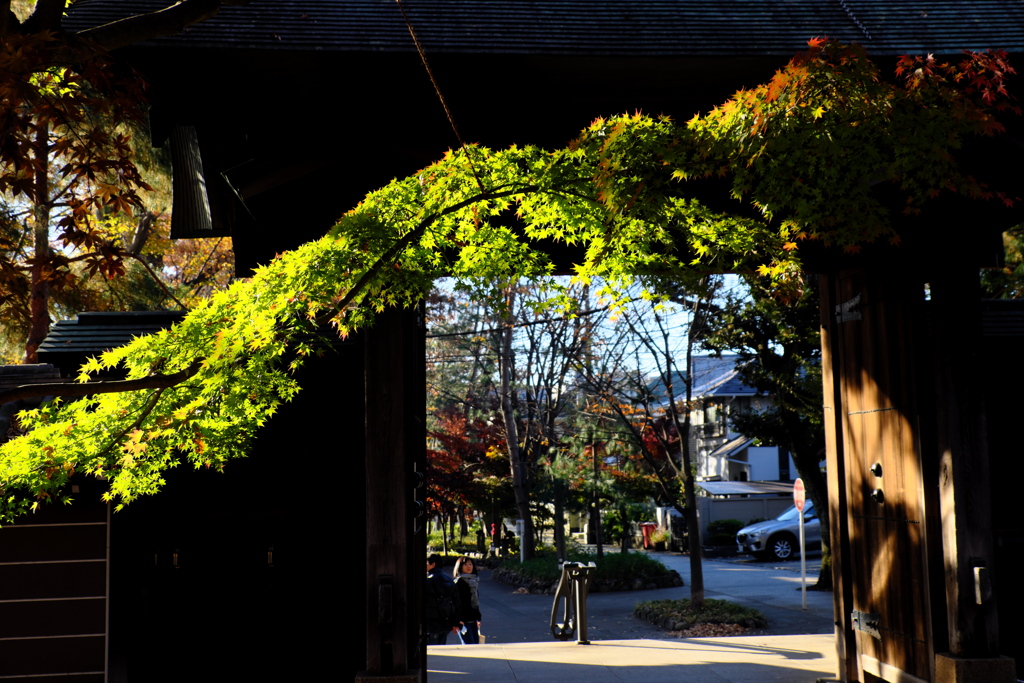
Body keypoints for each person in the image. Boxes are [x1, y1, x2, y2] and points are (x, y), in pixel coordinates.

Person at [426, 554, 460, 645]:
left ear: (433, 564)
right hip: (445, 621)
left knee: (431, 651)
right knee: (441, 646)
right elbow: (456, 602)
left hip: (431, 622)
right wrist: (455, 623)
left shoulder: (427, 581)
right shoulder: (449, 580)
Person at [453, 556, 482, 644]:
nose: (469, 566)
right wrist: (457, 620)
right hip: (463, 621)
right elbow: (455, 602)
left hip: (473, 619)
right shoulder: (458, 583)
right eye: (465, 564)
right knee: (469, 646)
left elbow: (475, 602)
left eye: (470, 564)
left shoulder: (473, 581)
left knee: (476, 645)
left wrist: (478, 617)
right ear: (460, 567)